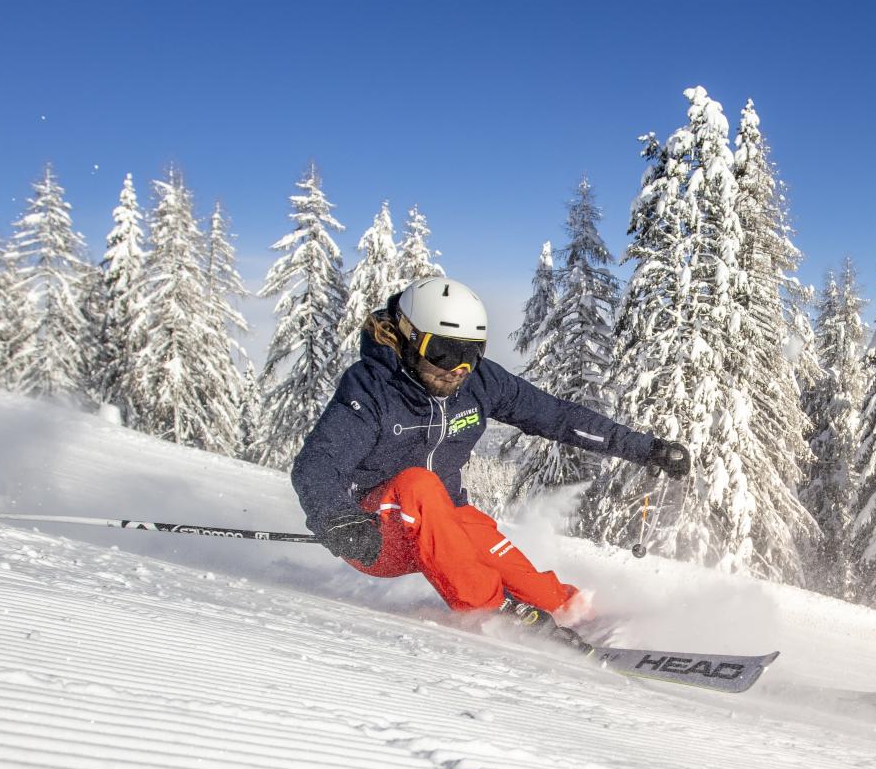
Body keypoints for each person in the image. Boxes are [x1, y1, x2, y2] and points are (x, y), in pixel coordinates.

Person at [291, 276, 689, 646]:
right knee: (418, 485)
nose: (458, 369)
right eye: (444, 352)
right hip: (377, 534)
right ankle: (492, 612)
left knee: (535, 585)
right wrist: (338, 519)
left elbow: (558, 417)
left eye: (471, 353)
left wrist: (645, 448)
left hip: (446, 527)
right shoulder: (372, 387)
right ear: (409, 337)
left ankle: (581, 619)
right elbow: (317, 464)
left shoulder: (478, 382)